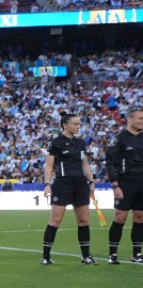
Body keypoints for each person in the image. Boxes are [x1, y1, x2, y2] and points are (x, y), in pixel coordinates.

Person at [41, 113, 97, 266]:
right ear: (65, 125)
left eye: (79, 124)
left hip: (80, 184)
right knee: (55, 220)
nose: (78, 126)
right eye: (75, 124)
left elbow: (85, 163)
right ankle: (46, 256)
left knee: (84, 220)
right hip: (62, 185)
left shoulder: (80, 143)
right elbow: (50, 165)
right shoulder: (56, 143)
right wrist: (47, 184)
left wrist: (91, 181)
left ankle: (86, 256)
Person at [105, 105, 143, 264]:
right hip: (125, 182)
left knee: (140, 217)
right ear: (130, 119)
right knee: (120, 217)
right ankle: (112, 254)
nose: (142, 121)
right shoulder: (120, 139)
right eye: (140, 118)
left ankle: (137, 254)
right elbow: (110, 163)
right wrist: (115, 185)